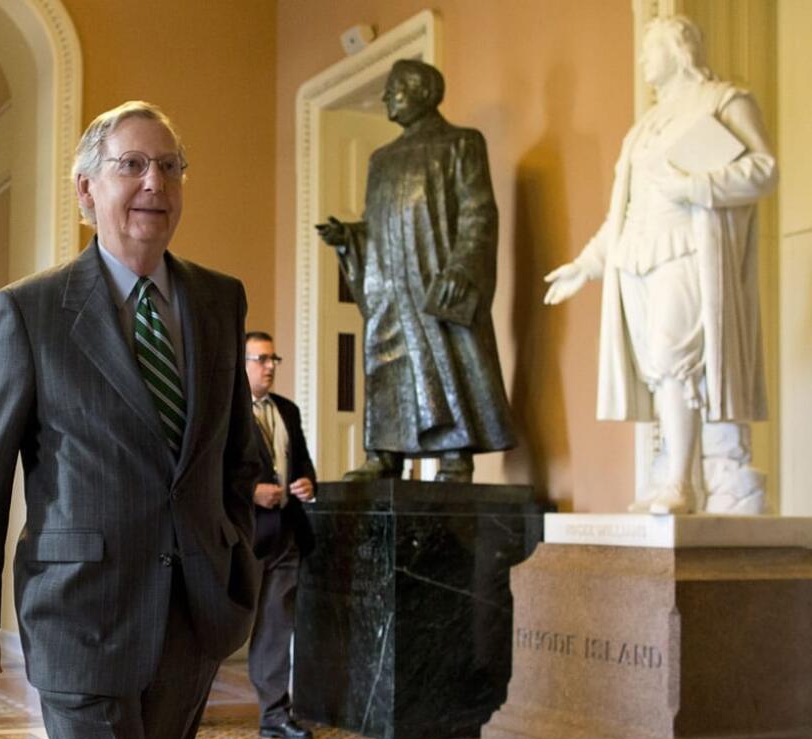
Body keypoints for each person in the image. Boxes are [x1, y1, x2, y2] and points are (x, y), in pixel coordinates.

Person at [0, 101, 260, 739]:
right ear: (87, 192)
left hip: (192, 613)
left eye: (170, 166)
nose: (156, 182)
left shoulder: (219, 301)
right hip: (78, 612)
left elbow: (237, 455)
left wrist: (236, 552)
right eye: (133, 164)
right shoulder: (32, 310)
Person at [543, 15, 777, 515]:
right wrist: (585, 265)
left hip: (688, 248)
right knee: (657, 371)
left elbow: (763, 169)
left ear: (678, 49)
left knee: (677, 359)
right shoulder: (643, 128)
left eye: (651, 50)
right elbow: (622, 214)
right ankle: (674, 470)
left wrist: (696, 188)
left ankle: (680, 482)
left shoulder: (722, 100)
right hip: (636, 256)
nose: (645, 60)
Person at [318, 59, 516, 483]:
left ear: (424, 92)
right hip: (388, 283)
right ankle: (385, 453)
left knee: (448, 357)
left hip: (434, 275)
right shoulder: (381, 160)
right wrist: (349, 237)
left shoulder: (461, 144)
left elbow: (479, 212)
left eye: (395, 88)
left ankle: (455, 454)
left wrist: (462, 267)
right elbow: (375, 224)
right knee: (384, 360)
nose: (387, 97)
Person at [244, 332, 316, 739]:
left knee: (275, 626)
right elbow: (206, 472)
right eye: (261, 359)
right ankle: (185, 712)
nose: (270, 366)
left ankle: (274, 715)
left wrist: (308, 483)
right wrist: (250, 493)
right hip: (240, 535)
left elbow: (302, 461)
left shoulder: (287, 410)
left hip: (286, 534)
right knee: (220, 626)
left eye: (274, 359)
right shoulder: (224, 411)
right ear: (242, 364)